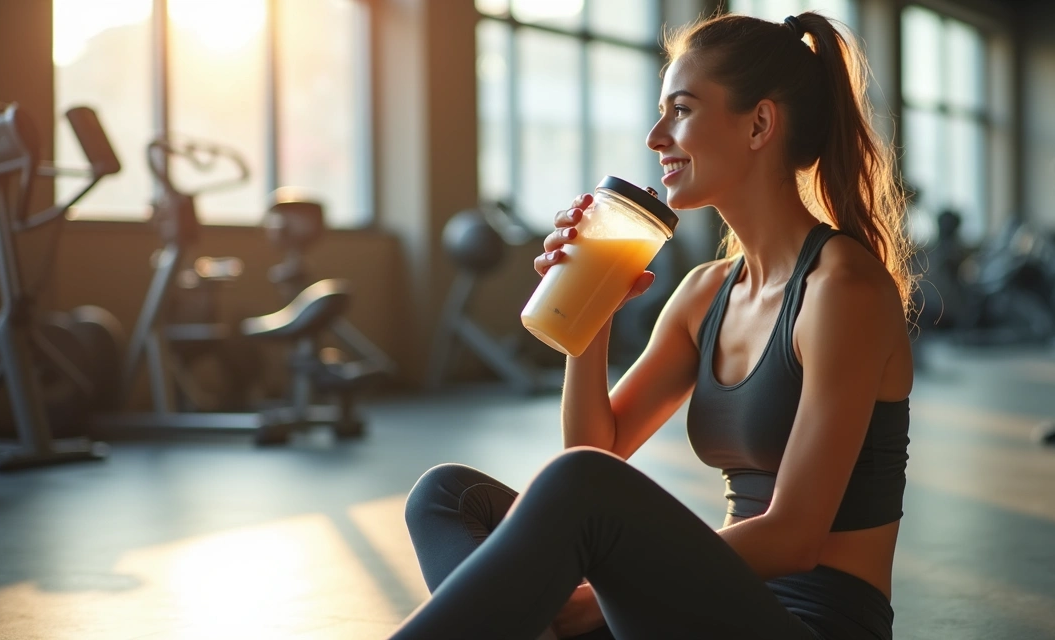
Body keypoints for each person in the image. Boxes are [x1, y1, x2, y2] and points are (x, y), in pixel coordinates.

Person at [391, 10, 915, 640]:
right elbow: (595, 449)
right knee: (446, 496)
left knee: (582, 493)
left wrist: (590, 601)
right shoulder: (705, 293)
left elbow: (794, 538)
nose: (655, 136)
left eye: (681, 110)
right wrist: (591, 310)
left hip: (808, 622)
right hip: (701, 611)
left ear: (759, 124)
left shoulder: (843, 291)